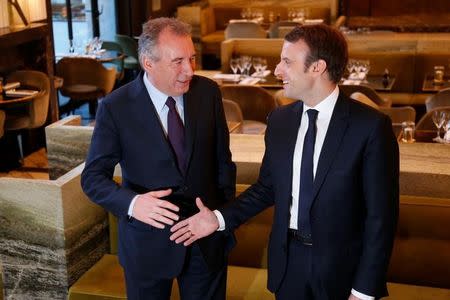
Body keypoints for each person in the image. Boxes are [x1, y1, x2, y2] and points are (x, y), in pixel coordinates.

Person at [170, 24, 399, 300]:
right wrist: (218, 219)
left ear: (318, 67)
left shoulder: (371, 127)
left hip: (343, 272)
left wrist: (363, 291)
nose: (277, 70)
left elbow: (381, 218)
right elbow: (267, 188)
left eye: (287, 62)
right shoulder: (280, 121)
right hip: (288, 266)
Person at [81, 17, 236, 300]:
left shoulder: (208, 93)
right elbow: (92, 178)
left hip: (206, 241)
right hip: (146, 245)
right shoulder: (116, 107)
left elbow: (223, 162)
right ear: (148, 63)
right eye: (177, 61)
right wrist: (133, 203)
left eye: (191, 58)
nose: (189, 70)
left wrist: (220, 218)